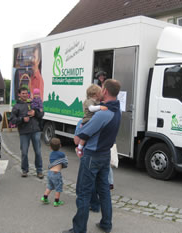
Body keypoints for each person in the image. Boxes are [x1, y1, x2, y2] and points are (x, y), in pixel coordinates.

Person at [63, 79, 121, 233]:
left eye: (102, 88)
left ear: (106, 92)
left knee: (83, 192)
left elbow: (80, 136)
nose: (100, 90)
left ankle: (79, 229)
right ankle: (106, 224)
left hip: (92, 156)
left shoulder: (103, 113)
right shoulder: (117, 111)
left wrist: (80, 135)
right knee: (104, 191)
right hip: (104, 156)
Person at [11, 86, 44, 178]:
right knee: (24, 152)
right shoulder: (16, 106)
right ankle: (25, 170)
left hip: (35, 130)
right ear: (19, 94)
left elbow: (41, 114)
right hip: (24, 132)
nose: (25, 95)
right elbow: (12, 120)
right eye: (23, 93)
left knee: (38, 152)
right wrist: (22, 119)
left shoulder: (33, 102)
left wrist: (35, 113)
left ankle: (39, 171)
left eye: (26, 93)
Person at [75, 84, 107, 157]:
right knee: (85, 136)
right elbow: (91, 108)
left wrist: (103, 103)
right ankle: (79, 148)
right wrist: (100, 107)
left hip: (92, 120)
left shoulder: (95, 101)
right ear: (95, 94)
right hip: (87, 120)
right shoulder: (89, 101)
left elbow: (99, 104)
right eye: (100, 93)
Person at [41, 138, 68, 207]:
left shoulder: (51, 154)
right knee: (58, 187)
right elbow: (65, 161)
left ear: (50, 147)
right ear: (60, 146)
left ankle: (44, 197)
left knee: (50, 186)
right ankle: (56, 201)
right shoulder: (62, 154)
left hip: (50, 173)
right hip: (56, 173)